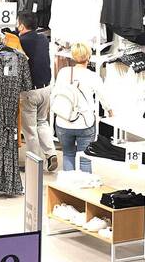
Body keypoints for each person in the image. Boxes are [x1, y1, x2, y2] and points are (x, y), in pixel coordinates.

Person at [51, 42, 112, 172]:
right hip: (85, 122)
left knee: (68, 154)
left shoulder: (63, 72)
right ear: (88, 57)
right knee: (85, 158)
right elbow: (104, 98)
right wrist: (110, 111)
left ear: (73, 56)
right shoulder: (93, 76)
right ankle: (84, 187)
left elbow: (56, 93)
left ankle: (68, 189)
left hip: (64, 121)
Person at [16, 12, 58, 172]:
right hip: (46, 87)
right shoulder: (43, 39)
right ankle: (51, 153)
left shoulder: (20, 42)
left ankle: (35, 165)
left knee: (30, 129)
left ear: (21, 25)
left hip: (29, 91)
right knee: (42, 122)